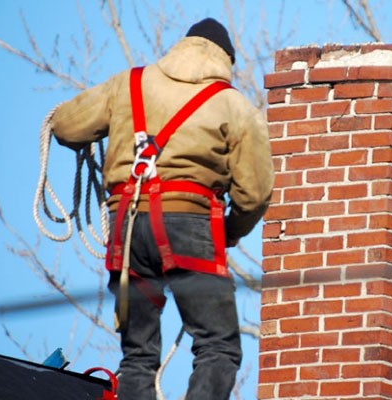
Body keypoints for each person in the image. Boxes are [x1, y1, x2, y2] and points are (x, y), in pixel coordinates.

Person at [50, 18, 274, 400]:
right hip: (190, 224)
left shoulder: (128, 84)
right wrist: (231, 232)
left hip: (127, 225)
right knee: (218, 346)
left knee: (138, 355)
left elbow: (66, 126)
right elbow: (254, 195)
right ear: (225, 60)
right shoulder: (234, 105)